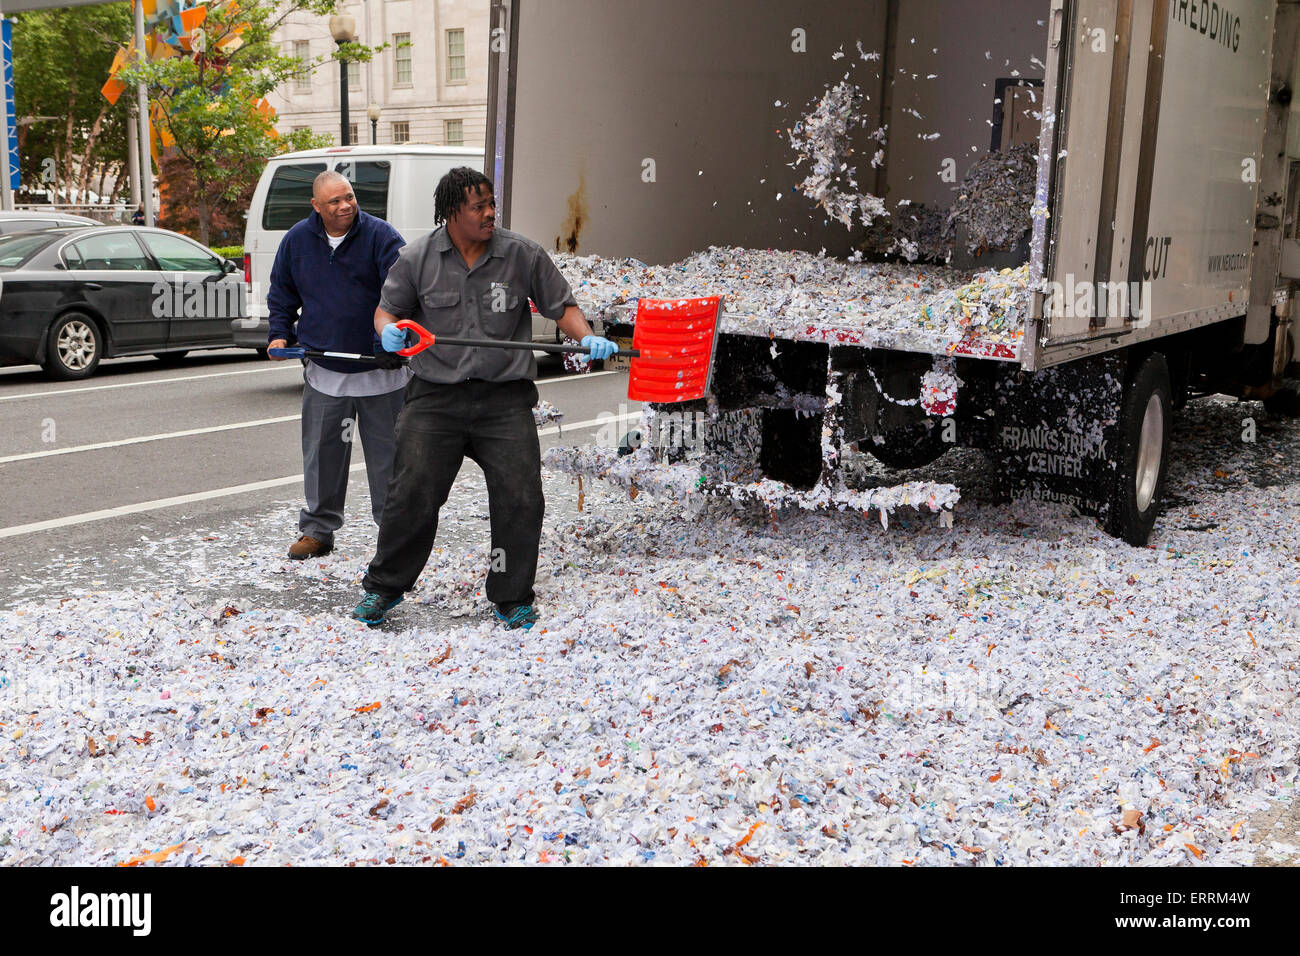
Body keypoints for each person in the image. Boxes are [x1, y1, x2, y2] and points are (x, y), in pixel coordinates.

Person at [351, 167, 617, 628]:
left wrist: (587, 337)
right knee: (411, 494)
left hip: (504, 401)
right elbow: (386, 311)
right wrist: (388, 333)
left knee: (520, 498)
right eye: (479, 207)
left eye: (492, 204)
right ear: (453, 213)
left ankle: (511, 595)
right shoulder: (416, 259)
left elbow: (563, 307)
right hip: (435, 400)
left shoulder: (521, 255)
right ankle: (384, 588)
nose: (490, 213)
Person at [267, 170, 409, 559]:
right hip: (325, 370)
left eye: (349, 196)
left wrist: (391, 340)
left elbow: (403, 293)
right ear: (317, 206)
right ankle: (318, 530)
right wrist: (279, 334)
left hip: (381, 371)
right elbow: (281, 293)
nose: (345, 205)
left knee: (391, 461)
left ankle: (395, 535)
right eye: (335, 201)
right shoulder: (297, 241)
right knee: (322, 454)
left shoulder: (382, 237)